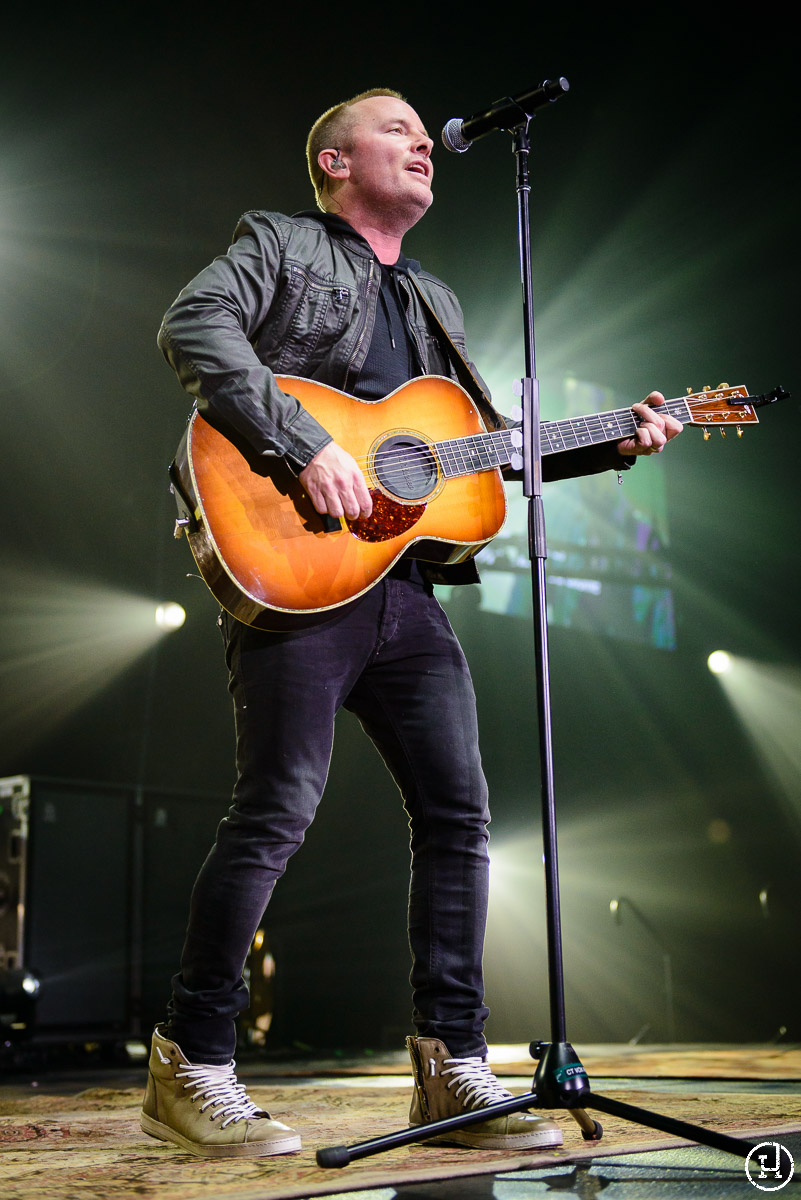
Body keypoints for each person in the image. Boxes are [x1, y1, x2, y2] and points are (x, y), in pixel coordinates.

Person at [140, 88, 683, 1159]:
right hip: (292, 563)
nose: (422, 142)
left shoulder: (434, 299)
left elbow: (467, 453)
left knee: (460, 813)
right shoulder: (284, 242)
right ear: (335, 162)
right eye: (396, 128)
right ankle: (191, 1062)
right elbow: (192, 325)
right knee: (277, 810)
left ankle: (452, 1072)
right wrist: (305, 445)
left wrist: (614, 441)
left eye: (424, 133)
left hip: (404, 589)